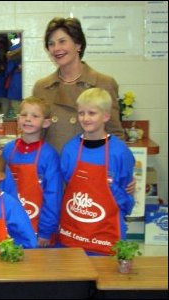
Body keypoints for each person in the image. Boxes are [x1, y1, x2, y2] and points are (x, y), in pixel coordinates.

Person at [59, 88, 135, 255]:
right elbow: (65, 183)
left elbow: (126, 192)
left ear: (106, 116)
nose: (85, 118)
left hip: (106, 234)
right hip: (73, 231)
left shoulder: (120, 152)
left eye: (92, 113)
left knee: (106, 278)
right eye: (81, 113)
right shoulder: (70, 149)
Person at [32, 17, 124, 153]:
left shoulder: (103, 83)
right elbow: (36, 134)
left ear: (78, 45)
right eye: (51, 44)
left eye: (62, 41)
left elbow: (115, 133)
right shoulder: (42, 87)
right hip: (53, 169)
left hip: (90, 166)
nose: (56, 48)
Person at [2, 96, 63, 247]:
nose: (28, 119)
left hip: (38, 228)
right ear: (17, 119)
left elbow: (53, 196)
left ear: (46, 122)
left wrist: (45, 231)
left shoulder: (49, 155)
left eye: (35, 116)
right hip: (10, 225)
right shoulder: (8, 150)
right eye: (24, 115)